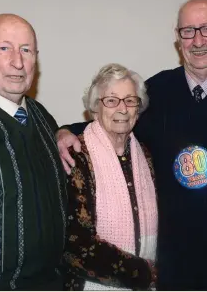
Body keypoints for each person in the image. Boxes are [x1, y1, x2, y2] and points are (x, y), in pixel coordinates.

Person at [57, 0, 207, 290]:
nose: (198, 40)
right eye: (188, 31)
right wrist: (64, 131)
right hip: (168, 264)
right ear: (177, 38)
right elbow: (115, 118)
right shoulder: (156, 91)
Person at [0, 14, 66, 290]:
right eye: (4, 48)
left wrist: (66, 131)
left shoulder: (41, 115)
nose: (18, 62)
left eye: (26, 50)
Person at [62, 63, 158, 291]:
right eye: (112, 100)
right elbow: (75, 244)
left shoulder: (144, 153)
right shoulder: (76, 156)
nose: (122, 109)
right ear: (95, 108)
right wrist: (144, 272)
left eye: (130, 100)